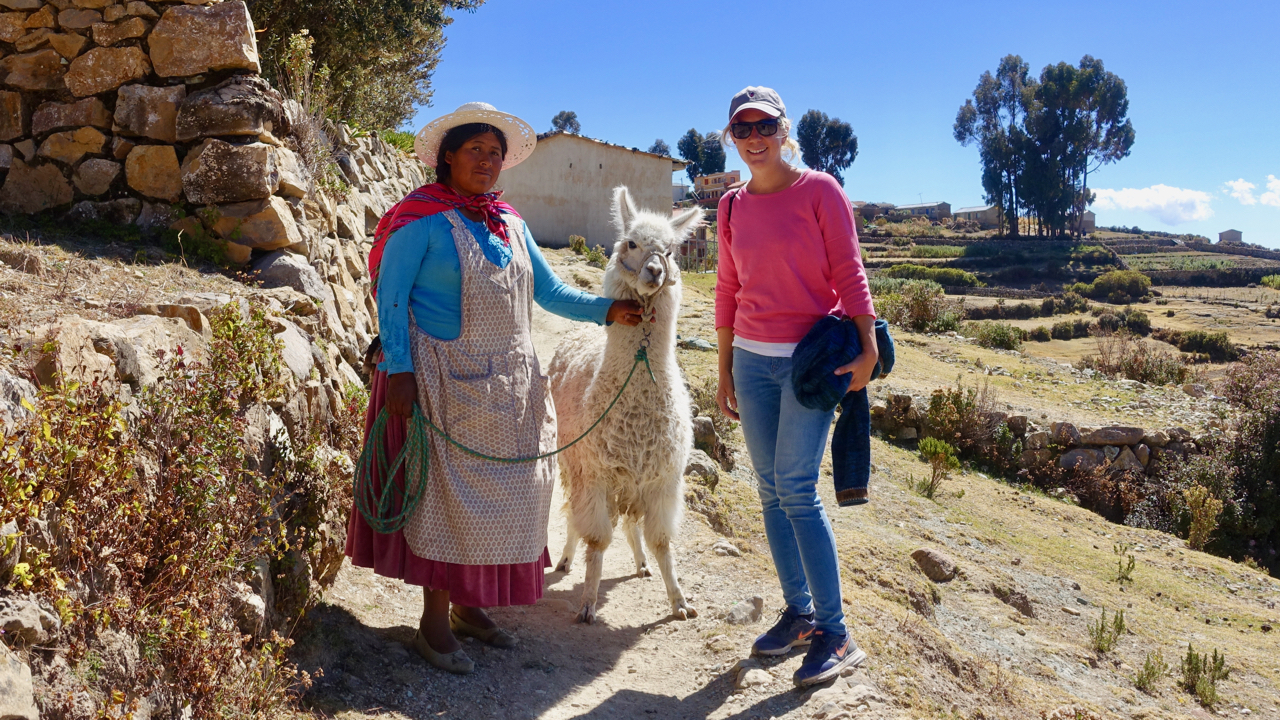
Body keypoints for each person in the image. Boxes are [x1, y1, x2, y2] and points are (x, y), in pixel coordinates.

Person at [345, 102, 644, 675]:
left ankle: (469, 607)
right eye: (474, 149)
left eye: (495, 152)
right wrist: (400, 369)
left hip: (509, 387)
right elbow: (391, 298)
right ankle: (433, 625)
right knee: (445, 502)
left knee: (510, 495)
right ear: (447, 156)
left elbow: (550, 294)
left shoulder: (510, 223)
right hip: (439, 381)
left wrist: (609, 310)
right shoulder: (420, 221)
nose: (486, 160)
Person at [713, 87, 878, 687]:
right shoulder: (730, 206)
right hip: (751, 362)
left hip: (811, 365)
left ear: (785, 131)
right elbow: (727, 287)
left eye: (766, 126)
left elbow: (849, 270)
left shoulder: (820, 190)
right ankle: (801, 615)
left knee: (797, 490)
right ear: (732, 137)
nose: (754, 138)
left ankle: (837, 632)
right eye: (743, 129)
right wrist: (724, 367)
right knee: (769, 491)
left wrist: (868, 345)